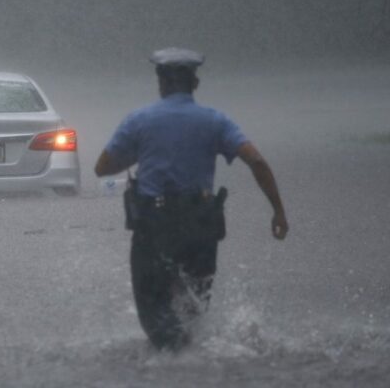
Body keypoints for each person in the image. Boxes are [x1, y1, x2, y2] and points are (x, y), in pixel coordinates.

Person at [94, 47, 288, 349]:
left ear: (160, 83)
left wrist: (141, 153)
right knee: (193, 313)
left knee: (155, 318)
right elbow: (258, 162)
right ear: (194, 84)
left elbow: (102, 167)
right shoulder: (216, 121)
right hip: (200, 226)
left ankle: (163, 372)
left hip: (153, 228)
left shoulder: (139, 120)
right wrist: (278, 212)